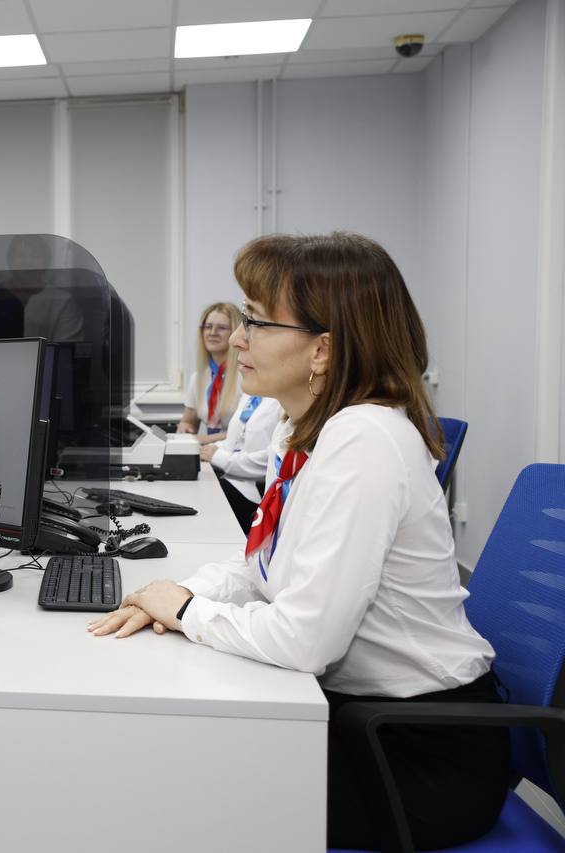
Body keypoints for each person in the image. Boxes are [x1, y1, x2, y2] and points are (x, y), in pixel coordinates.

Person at [88, 232, 509, 850]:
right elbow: (262, 564)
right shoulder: (303, 429)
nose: (238, 338)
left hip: (418, 754)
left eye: (257, 322)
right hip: (356, 715)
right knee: (164, 752)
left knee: (168, 782)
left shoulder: (365, 441)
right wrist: (177, 593)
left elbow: (305, 641)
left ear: (323, 349)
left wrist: (186, 612)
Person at [201, 391, 281, 533]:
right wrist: (211, 449)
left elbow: (273, 457)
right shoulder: (250, 395)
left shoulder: (282, 400)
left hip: (256, 490)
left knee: (205, 500)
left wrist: (220, 457)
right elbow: (235, 441)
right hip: (233, 478)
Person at [177, 302, 242, 441]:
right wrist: (185, 427)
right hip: (208, 451)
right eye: (208, 327)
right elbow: (188, 421)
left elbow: (247, 431)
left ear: (236, 333)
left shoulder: (246, 376)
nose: (212, 333)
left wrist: (205, 440)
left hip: (237, 452)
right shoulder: (198, 378)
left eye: (221, 328)